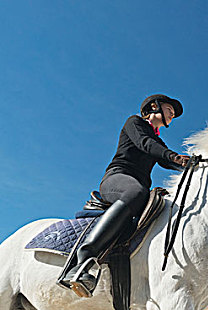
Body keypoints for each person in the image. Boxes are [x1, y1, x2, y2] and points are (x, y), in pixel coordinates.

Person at [63, 94, 189, 297]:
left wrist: (193, 164)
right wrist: (174, 156)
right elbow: (146, 144)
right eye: (169, 109)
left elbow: (164, 158)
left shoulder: (157, 139)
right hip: (117, 179)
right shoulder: (135, 122)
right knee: (137, 192)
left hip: (136, 185)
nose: (172, 114)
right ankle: (83, 259)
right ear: (154, 106)